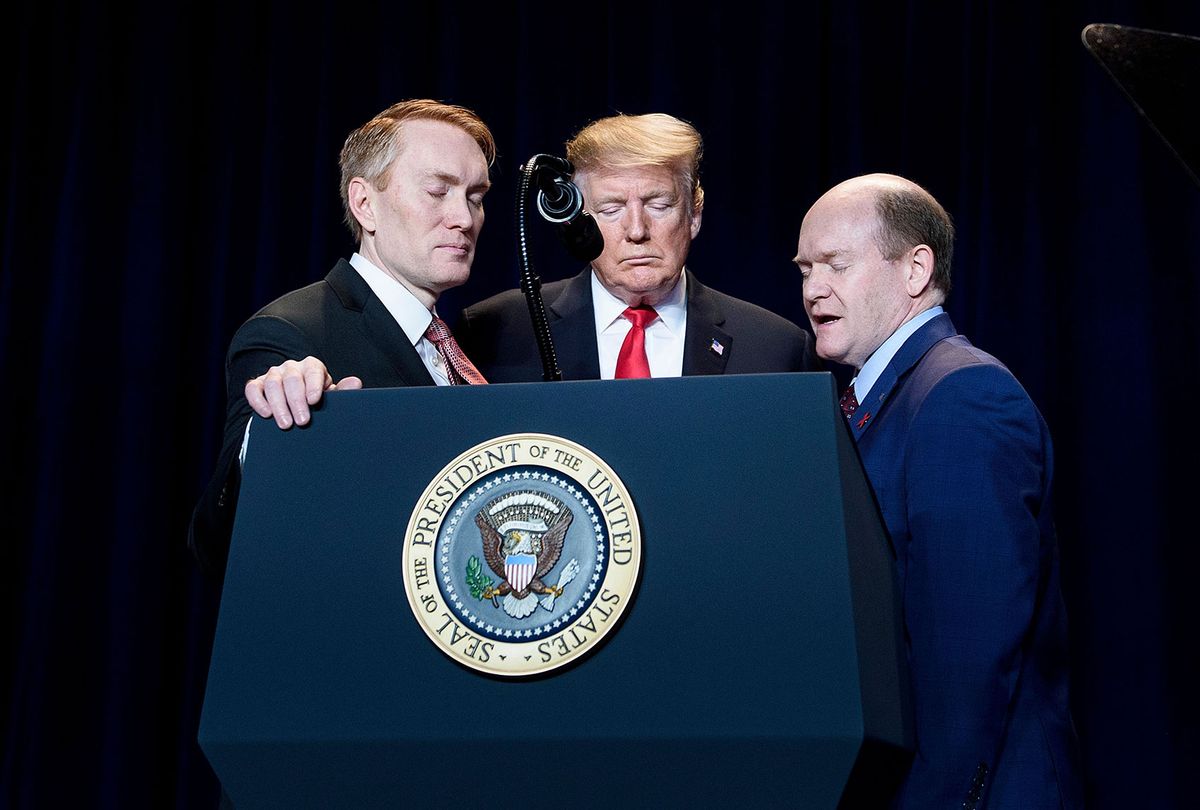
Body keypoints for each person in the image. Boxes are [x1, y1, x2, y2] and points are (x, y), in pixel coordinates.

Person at [793, 174, 1082, 808]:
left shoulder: (962, 397)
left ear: (916, 268)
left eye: (836, 265)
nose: (814, 290)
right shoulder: (883, 398)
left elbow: (967, 662)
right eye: (806, 269)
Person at [189, 99, 495, 577]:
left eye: (475, 197)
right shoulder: (291, 334)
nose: (464, 218)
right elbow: (217, 543)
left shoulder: (464, 345)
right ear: (364, 203)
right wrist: (268, 435)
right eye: (438, 191)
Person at [455, 113, 815, 380]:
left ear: (694, 215)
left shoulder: (775, 348)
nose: (637, 230)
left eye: (659, 205)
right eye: (611, 209)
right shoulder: (494, 332)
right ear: (577, 221)